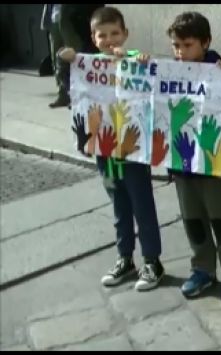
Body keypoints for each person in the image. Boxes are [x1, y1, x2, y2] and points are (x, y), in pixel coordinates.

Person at [61, 6, 164, 291]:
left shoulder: (131, 58)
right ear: (93, 38)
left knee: (142, 205)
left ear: (125, 34)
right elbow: (68, 59)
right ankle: (125, 258)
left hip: (132, 150)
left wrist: (138, 58)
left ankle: (152, 261)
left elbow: (146, 66)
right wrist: (67, 57)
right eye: (102, 35)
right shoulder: (89, 64)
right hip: (104, 149)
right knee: (119, 206)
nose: (109, 40)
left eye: (115, 34)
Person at [163, 12, 221, 299]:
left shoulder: (220, 69)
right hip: (182, 162)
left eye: (187, 45)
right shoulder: (169, 71)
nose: (180, 52)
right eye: (176, 45)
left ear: (205, 42)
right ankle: (203, 269)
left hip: (214, 163)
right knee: (193, 219)